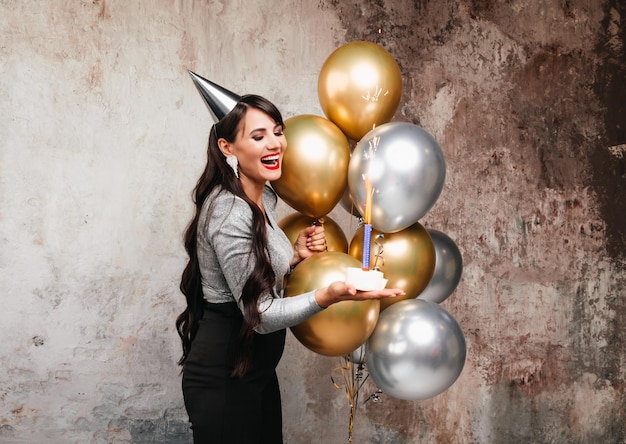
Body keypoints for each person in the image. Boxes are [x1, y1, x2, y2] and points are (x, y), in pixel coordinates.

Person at [176, 94, 404, 444]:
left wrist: (293, 257)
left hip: (255, 373)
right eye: (258, 136)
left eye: (277, 132)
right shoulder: (229, 212)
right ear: (227, 147)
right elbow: (261, 314)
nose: (274, 144)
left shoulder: (261, 198)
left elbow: (249, 273)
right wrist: (327, 295)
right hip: (223, 380)